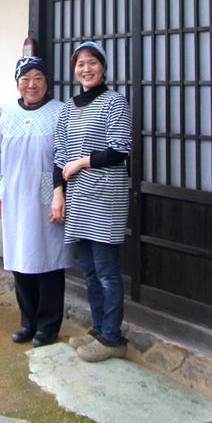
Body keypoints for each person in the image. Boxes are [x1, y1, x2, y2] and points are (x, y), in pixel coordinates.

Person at [51, 40, 132, 362]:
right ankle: (98, 329)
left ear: (103, 67)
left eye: (92, 62)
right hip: (78, 198)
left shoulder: (116, 102)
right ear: (75, 70)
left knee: (106, 269)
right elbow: (58, 155)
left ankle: (113, 338)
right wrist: (57, 192)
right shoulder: (68, 108)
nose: (87, 69)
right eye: (81, 64)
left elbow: (120, 148)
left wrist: (83, 161)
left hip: (107, 196)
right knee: (88, 270)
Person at [0, 56, 71, 347]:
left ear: (47, 83)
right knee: (21, 257)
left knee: (48, 257)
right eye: (26, 79)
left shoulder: (60, 111)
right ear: (18, 83)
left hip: (48, 188)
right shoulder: (6, 113)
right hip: (14, 191)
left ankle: (48, 325)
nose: (31, 85)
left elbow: (65, 155)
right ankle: (27, 321)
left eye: (38, 78)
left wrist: (59, 193)